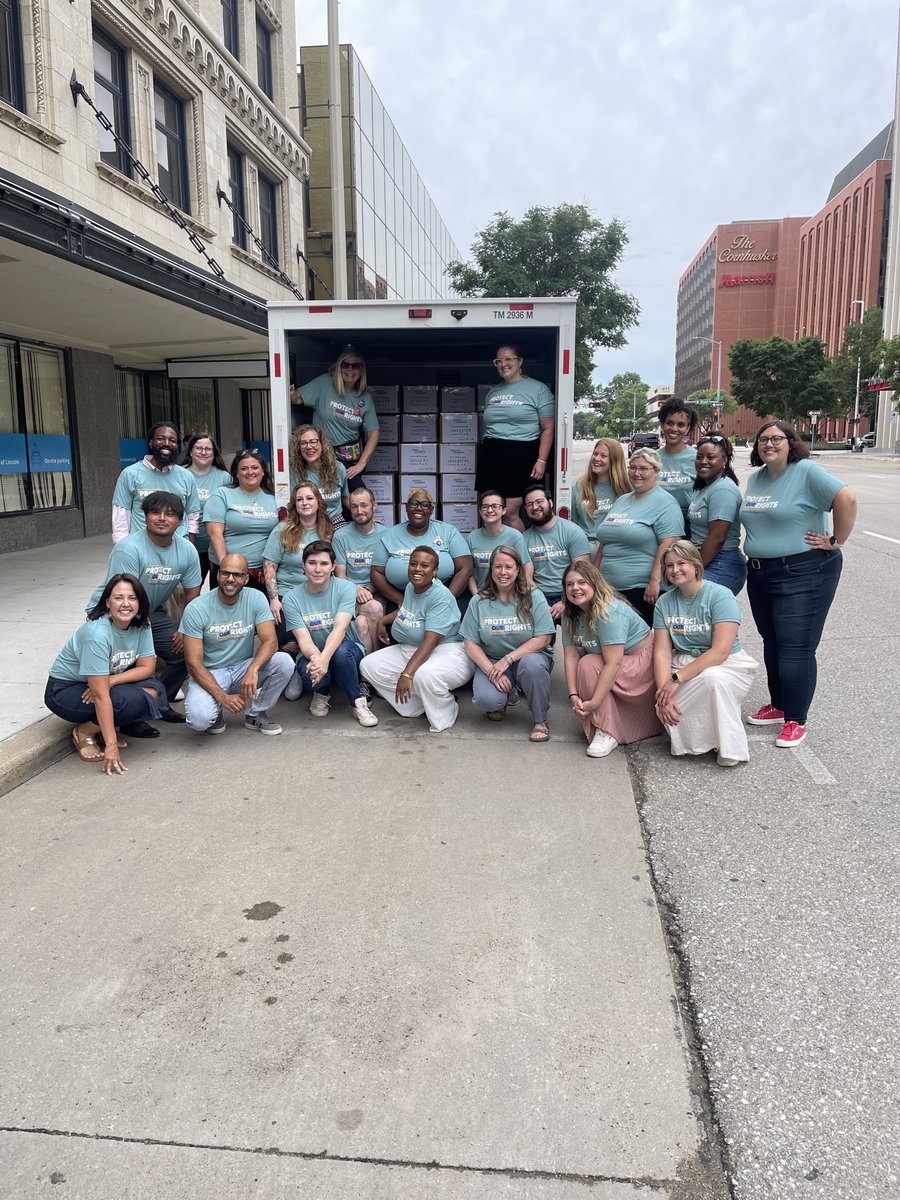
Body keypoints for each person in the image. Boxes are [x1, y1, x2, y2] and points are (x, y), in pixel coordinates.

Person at [740, 420, 857, 747]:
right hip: (761, 573)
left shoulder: (806, 471)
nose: (769, 444)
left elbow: (845, 498)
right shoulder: (757, 478)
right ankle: (779, 705)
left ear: (791, 442)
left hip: (805, 572)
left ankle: (796, 719)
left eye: (777, 439)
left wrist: (836, 539)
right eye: (763, 439)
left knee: (795, 647)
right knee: (772, 642)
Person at [90, 491, 201, 730]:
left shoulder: (187, 551)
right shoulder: (128, 548)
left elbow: (192, 594)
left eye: (170, 514)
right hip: (114, 614)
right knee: (127, 662)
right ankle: (132, 717)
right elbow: (121, 596)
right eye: (155, 512)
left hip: (149, 614)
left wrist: (184, 628)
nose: (162, 518)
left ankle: (161, 702)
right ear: (145, 517)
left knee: (185, 648)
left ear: (180, 521)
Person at [45, 574, 169, 775]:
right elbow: (101, 696)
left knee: (154, 691)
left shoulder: (141, 624)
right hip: (65, 689)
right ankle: (85, 731)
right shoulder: (97, 634)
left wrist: (112, 680)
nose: (126, 604)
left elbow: (147, 667)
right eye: (118, 598)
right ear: (107, 603)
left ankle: (101, 729)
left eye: (132, 598)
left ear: (140, 602)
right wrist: (111, 745)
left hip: (104, 681)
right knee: (123, 700)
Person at [653, 541, 759, 767]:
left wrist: (675, 680)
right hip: (682, 663)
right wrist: (664, 689)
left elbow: (720, 652)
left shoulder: (720, 595)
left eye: (682, 563)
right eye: (669, 565)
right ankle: (701, 739)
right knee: (666, 706)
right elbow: (662, 651)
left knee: (714, 680)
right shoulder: (664, 602)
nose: (675, 570)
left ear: (696, 565)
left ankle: (729, 745)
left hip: (726, 664)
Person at [179, 552, 294, 735]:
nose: (230, 579)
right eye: (225, 573)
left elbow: (270, 642)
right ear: (217, 575)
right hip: (211, 672)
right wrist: (223, 698)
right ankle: (216, 710)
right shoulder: (196, 608)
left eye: (237, 575)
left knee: (284, 662)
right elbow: (193, 663)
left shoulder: (256, 598)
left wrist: (253, 668)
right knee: (199, 721)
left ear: (246, 579)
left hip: (242, 667)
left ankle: (256, 714)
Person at [361, 546, 474, 732]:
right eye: (413, 564)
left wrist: (407, 674)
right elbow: (408, 611)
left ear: (435, 571)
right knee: (369, 665)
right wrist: (384, 620)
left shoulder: (440, 597)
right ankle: (419, 707)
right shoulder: (411, 586)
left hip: (447, 652)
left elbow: (431, 641)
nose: (417, 569)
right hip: (412, 647)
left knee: (424, 676)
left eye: (424, 565)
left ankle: (446, 711)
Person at [561, 560, 661, 759]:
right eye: (570, 584)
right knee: (587, 662)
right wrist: (573, 695)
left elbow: (613, 663)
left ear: (595, 584)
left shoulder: (608, 612)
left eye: (582, 582)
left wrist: (593, 703)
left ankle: (606, 729)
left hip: (641, 663)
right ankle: (606, 722)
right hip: (617, 662)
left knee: (589, 664)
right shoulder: (570, 613)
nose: (575, 588)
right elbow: (570, 656)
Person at [461, 545, 554, 742]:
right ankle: (505, 693)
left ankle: (540, 720)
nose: (503, 572)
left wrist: (508, 659)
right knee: (488, 700)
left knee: (532, 666)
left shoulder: (533, 596)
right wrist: (490, 671)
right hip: (494, 660)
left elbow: (544, 637)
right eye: (498, 567)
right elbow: (470, 642)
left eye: (509, 567)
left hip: (528, 658)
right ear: (491, 569)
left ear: (518, 569)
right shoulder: (478, 601)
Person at [281, 540, 377, 727]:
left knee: (340, 654)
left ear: (333, 566)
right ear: (303, 565)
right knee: (311, 676)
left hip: (347, 649)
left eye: (324, 564)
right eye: (312, 563)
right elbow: (304, 640)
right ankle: (322, 692)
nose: (318, 569)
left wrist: (324, 659)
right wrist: (318, 660)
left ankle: (357, 702)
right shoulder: (291, 599)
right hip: (312, 652)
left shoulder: (345, 588)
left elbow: (340, 628)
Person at [595, 448, 684, 624]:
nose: (637, 473)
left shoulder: (666, 503)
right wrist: (595, 577)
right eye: (633, 467)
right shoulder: (621, 500)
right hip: (608, 589)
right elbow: (604, 542)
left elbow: (669, 543)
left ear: (656, 471)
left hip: (641, 590)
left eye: (643, 468)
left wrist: (654, 581)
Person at [475, 345, 555, 530]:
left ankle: (517, 556)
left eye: (508, 359)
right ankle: (497, 555)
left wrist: (541, 460)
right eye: (499, 361)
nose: (503, 364)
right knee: (490, 509)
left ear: (520, 361)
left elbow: (548, 428)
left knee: (509, 512)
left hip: (521, 455)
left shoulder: (538, 390)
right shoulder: (493, 392)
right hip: (492, 454)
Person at [371, 488, 473, 609]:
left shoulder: (448, 531)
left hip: (444, 595)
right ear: (407, 507)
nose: (418, 508)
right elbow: (376, 572)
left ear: (431, 510)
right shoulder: (390, 535)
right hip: (400, 598)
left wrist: (447, 599)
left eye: (425, 505)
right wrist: (400, 600)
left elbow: (466, 567)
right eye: (413, 503)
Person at [290, 346, 380, 477]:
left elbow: (374, 432)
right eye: (346, 365)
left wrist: (361, 464)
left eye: (355, 366)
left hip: (349, 462)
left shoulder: (365, 397)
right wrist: (290, 393)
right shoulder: (324, 383)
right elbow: (297, 398)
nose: (350, 369)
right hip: (322, 459)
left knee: (357, 496)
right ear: (339, 366)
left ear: (361, 370)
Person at [263, 483, 334, 646]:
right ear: (294, 505)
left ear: (318, 502)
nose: (305, 503)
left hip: (320, 595)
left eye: (309, 498)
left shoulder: (328, 531)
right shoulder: (282, 530)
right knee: (289, 644)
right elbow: (269, 566)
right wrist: (274, 599)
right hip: (287, 595)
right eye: (299, 499)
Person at [204, 449, 280, 591]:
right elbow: (215, 535)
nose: (249, 472)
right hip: (228, 573)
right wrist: (227, 570)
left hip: (262, 573)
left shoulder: (275, 498)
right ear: (236, 473)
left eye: (255, 467)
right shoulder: (222, 494)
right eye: (244, 468)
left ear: (263, 471)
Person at [112, 422, 199, 543]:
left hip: (177, 549)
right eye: (160, 439)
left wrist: (189, 547)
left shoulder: (187, 477)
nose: (167, 443)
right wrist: (122, 548)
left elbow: (192, 517)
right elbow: (120, 518)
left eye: (172, 440)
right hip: (140, 549)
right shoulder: (130, 474)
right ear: (151, 443)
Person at [521, 484, 591, 619]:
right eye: (529, 504)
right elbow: (526, 578)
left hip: (571, 591)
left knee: (576, 639)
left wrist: (565, 601)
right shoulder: (524, 539)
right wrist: (540, 602)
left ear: (550, 503)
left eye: (539, 501)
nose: (534, 507)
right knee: (541, 638)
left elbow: (584, 571)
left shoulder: (572, 531)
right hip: (539, 594)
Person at [688, 434, 746, 595]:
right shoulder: (708, 487)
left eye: (711, 457)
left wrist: (694, 570)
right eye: (699, 457)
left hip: (721, 563)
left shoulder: (723, 489)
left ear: (724, 460)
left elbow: (717, 538)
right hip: (708, 560)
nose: (703, 461)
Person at [333, 487, 387, 654]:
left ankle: (369, 665)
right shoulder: (341, 536)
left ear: (374, 506)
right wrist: (355, 589)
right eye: (354, 506)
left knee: (366, 618)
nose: (359, 511)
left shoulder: (387, 534)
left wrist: (367, 590)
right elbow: (340, 575)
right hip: (348, 593)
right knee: (362, 621)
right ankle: (369, 669)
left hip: (376, 592)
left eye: (364, 505)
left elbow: (388, 574)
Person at [179, 431, 231, 585]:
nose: (203, 452)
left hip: (217, 547)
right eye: (198, 448)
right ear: (190, 451)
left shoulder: (224, 477)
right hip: (187, 546)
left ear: (214, 453)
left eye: (208, 449)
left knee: (218, 590)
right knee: (189, 590)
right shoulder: (180, 474)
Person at [571, 438, 631, 556]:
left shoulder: (627, 489)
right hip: (586, 548)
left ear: (614, 461)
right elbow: (573, 524)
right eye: (595, 454)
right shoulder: (578, 487)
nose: (597, 459)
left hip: (615, 548)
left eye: (603, 456)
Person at [466, 491, 532, 595]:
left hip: (511, 595)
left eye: (495, 506)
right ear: (480, 511)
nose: (490, 510)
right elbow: (468, 572)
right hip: (483, 595)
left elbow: (526, 565)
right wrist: (476, 596)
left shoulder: (515, 536)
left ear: (504, 511)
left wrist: (521, 591)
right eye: (485, 506)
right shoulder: (472, 537)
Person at [289, 424, 349, 528]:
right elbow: (292, 505)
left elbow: (346, 497)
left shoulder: (338, 468)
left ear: (322, 445)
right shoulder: (294, 473)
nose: (309, 446)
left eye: (313, 441)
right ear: (298, 448)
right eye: (303, 443)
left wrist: (365, 518)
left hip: (336, 521)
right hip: (308, 523)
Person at [656, 399, 699, 535]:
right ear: (662, 424)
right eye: (669, 423)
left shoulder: (698, 458)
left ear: (688, 428)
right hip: (655, 520)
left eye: (681, 425)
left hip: (687, 524)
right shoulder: (651, 458)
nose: (674, 429)